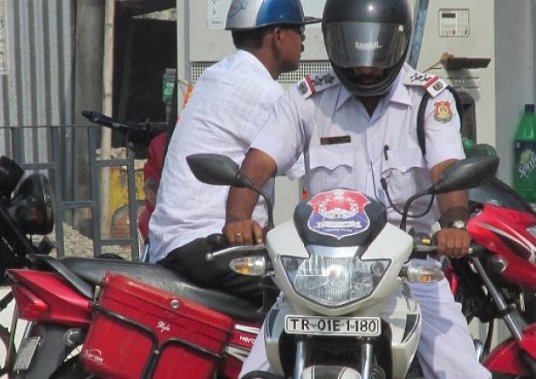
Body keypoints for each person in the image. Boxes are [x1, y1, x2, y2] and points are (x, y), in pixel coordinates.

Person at [223, 0, 492, 377]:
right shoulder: (308, 100)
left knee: (463, 370)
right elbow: (259, 162)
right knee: (255, 370)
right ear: (334, 44)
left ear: (397, 43)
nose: (365, 68)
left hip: (406, 271)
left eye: (377, 53)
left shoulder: (428, 99)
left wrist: (455, 226)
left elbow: (447, 170)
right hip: (317, 276)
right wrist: (237, 216)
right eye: (353, 51)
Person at [147, 0, 320, 305]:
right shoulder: (259, 90)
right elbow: (314, 162)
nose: (303, 39)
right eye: (300, 30)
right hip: (205, 242)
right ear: (278, 36)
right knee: (316, 291)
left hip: (182, 242)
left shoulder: (220, 75)